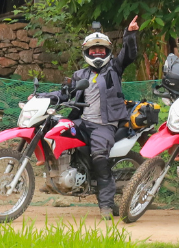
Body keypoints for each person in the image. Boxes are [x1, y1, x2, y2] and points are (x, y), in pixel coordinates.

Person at [54, 17, 139, 219]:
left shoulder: (114, 69)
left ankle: (106, 205)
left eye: (101, 49)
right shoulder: (79, 75)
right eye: (93, 50)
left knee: (100, 159)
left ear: (107, 52)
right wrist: (40, 97)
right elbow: (63, 94)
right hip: (83, 122)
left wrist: (130, 34)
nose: (97, 53)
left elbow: (129, 54)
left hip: (105, 125)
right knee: (56, 131)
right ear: (86, 52)